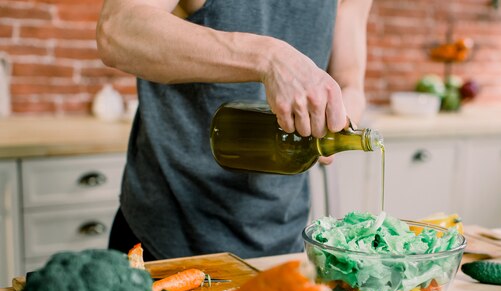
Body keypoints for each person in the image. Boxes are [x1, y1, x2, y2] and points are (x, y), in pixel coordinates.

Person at [97, 0, 373, 260]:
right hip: (167, 240)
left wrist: (338, 117)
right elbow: (118, 29)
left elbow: (350, 81)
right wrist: (269, 59)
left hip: (282, 243)